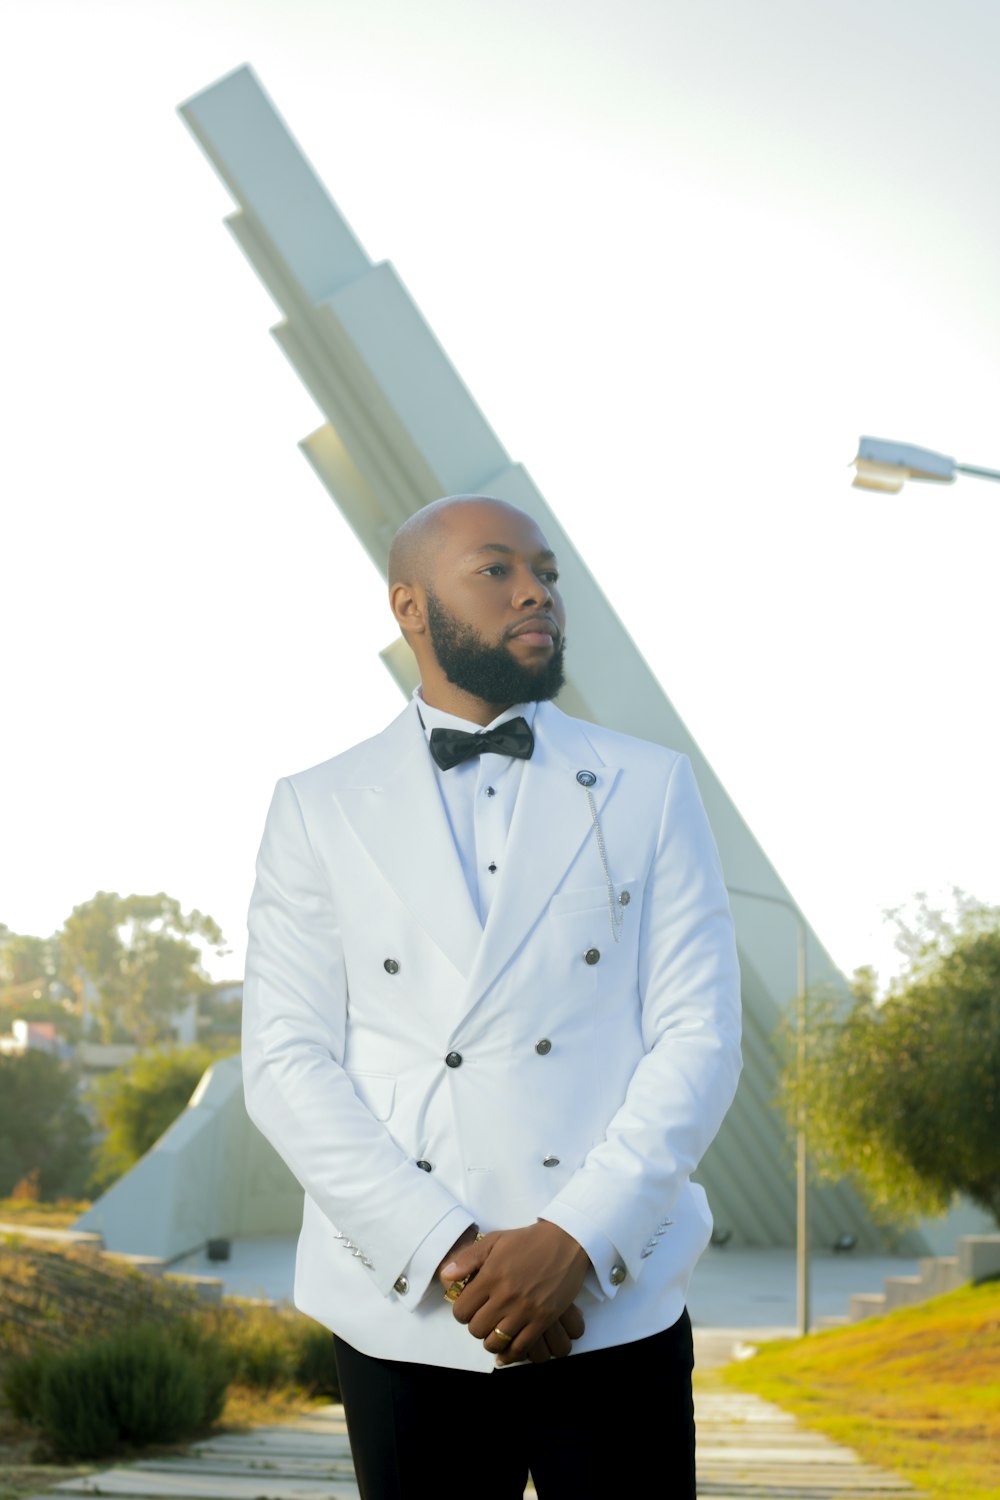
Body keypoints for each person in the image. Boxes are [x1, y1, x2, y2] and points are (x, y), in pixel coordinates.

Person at [242, 495, 742, 1499]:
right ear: (410, 606)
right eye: (496, 569)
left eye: (546, 573)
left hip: (610, 1300)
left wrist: (570, 1241)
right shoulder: (316, 805)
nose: (535, 594)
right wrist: (451, 1255)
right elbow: (286, 1064)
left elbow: (698, 1039)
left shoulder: (649, 786)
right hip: (406, 1310)